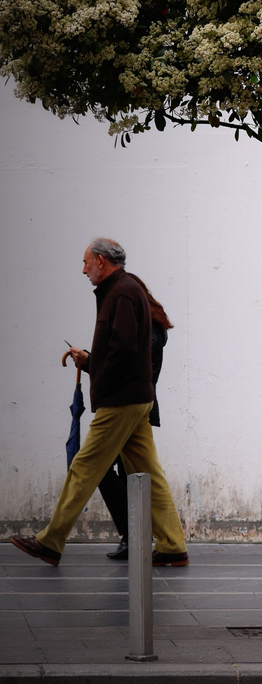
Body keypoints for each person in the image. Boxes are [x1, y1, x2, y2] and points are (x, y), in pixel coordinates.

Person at [12, 238, 189, 568]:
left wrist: (98, 374)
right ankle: (172, 546)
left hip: (121, 400)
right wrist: (91, 361)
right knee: (149, 473)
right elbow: (123, 350)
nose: (83, 270)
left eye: (85, 263)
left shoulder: (121, 292)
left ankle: (50, 541)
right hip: (136, 399)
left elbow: (122, 350)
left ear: (100, 261)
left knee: (83, 467)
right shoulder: (128, 287)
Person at [98, 275, 173, 561]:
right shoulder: (148, 326)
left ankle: (136, 535)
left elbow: (134, 369)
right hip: (131, 406)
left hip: (131, 408)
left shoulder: (150, 329)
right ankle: (138, 536)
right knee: (127, 473)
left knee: (108, 470)